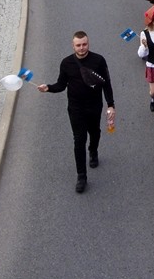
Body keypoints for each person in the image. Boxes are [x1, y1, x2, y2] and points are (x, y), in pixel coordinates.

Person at [38, 31, 116, 193]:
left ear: (88, 43)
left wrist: (110, 105)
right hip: (76, 107)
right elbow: (61, 85)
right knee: (79, 139)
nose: (82, 48)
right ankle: (81, 176)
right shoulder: (66, 63)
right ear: (73, 46)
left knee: (94, 132)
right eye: (78, 45)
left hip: (94, 105)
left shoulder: (99, 60)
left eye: (84, 44)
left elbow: (106, 84)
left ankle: (93, 150)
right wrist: (48, 88)